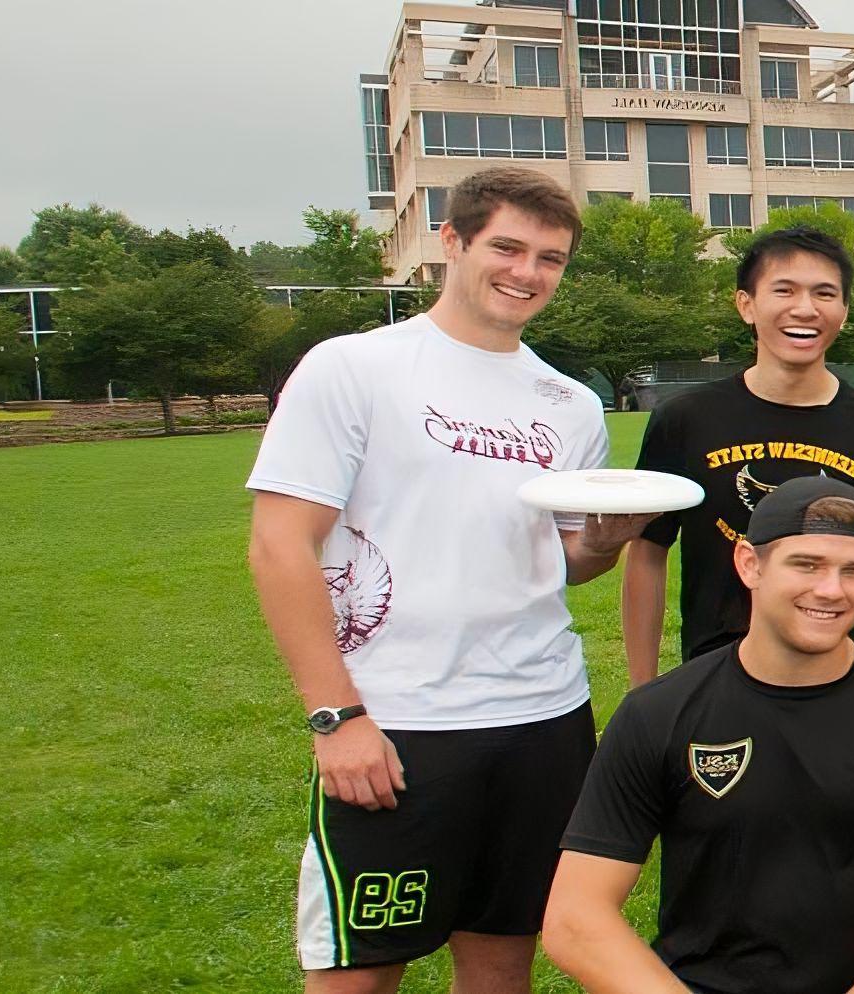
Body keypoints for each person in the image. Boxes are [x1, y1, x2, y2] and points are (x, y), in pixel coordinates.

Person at [249, 166, 626, 994]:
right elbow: (280, 546)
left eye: (551, 259)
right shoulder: (354, 368)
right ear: (450, 243)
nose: (528, 273)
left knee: (500, 963)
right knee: (358, 972)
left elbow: (564, 563)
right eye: (508, 247)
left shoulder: (569, 404)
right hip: (397, 721)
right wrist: (337, 717)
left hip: (543, 718)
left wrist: (607, 541)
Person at [546, 477, 854, 994]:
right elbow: (576, 918)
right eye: (807, 565)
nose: (831, 590)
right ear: (750, 564)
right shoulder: (659, 714)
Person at [622, 224, 854, 685]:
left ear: (844, 309)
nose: (805, 309)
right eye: (784, 290)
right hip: (719, 674)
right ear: (746, 305)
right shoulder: (685, 420)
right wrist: (645, 693)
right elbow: (648, 554)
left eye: (824, 293)